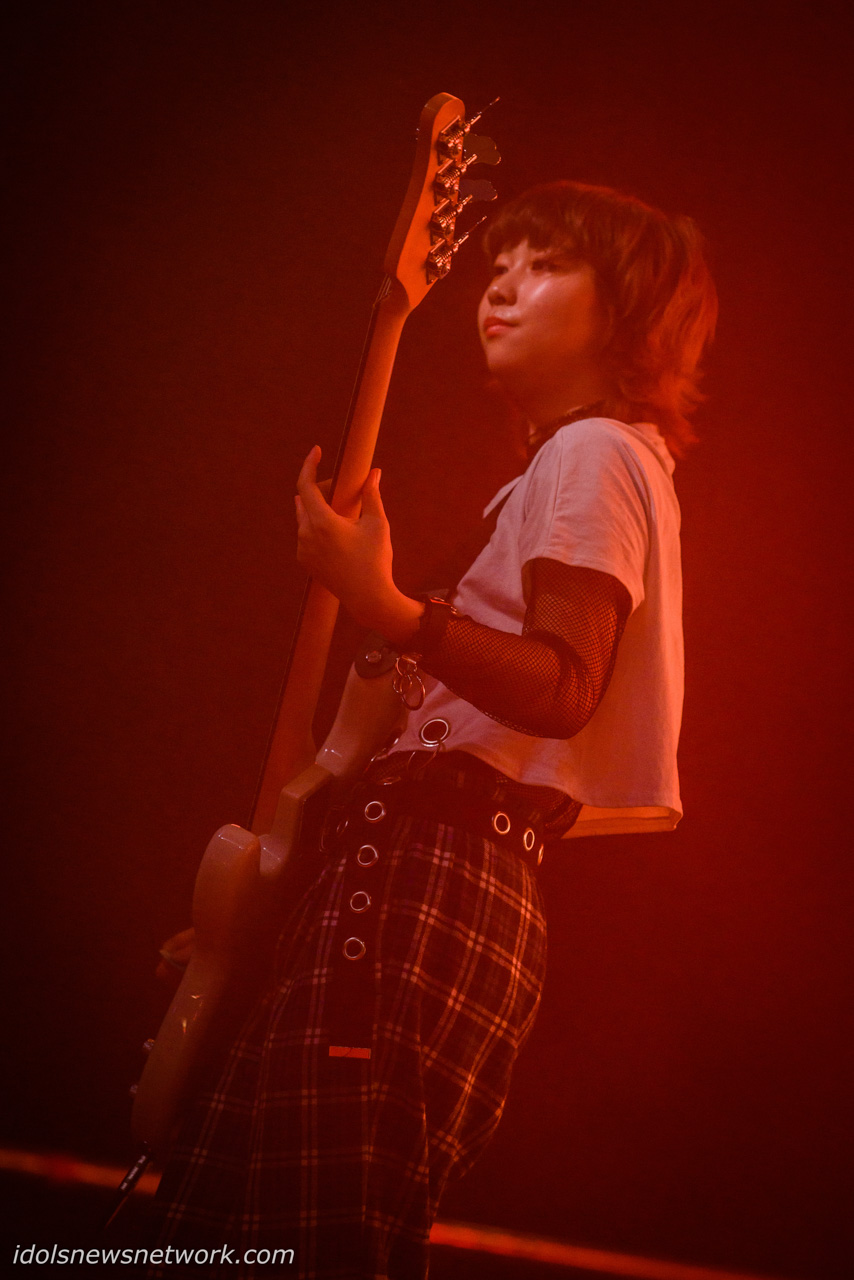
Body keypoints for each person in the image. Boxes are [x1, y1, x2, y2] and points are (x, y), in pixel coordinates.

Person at [147, 180, 717, 1279]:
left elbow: (563, 685)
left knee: (311, 1234)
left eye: (545, 264)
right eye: (497, 265)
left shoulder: (596, 453)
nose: (501, 286)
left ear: (627, 309)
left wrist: (393, 607)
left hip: (430, 879)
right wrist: (271, 911)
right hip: (397, 876)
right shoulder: (558, 469)